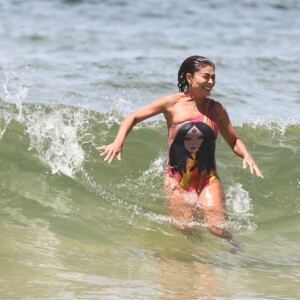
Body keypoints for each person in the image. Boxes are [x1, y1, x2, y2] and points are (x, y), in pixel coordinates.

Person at [98, 55, 263, 244]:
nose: (211, 82)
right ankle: (197, 257)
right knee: (184, 227)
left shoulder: (217, 109)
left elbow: (234, 140)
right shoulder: (172, 103)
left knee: (217, 228)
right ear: (189, 78)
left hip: (208, 179)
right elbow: (133, 116)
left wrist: (246, 155)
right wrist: (118, 141)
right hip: (177, 179)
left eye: (213, 77)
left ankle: (236, 252)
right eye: (206, 76)